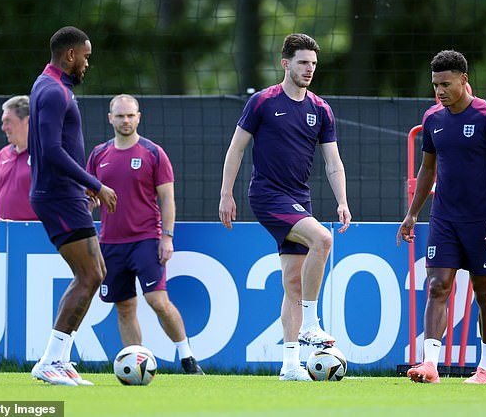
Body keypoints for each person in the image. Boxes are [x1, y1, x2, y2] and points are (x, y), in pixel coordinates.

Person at [219, 33, 352, 381]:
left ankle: (290, 366)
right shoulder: (263, 102)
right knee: (322, 240)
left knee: (293, 282)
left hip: (298, 198)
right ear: (285, 64)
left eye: (312, 64)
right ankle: (311, 323)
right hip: (267, 195)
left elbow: (333, 163)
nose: (309, 69)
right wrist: (225, 194)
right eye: (302, 63)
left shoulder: (321, 109)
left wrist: (342, 201)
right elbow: (236, 149)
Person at [396, 50, 486, 384]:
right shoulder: (433, 119)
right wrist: (412, 215)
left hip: (483, 222)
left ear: (464, 80)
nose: (440, 91)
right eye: (435, 85)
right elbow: (427, 169)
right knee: (437, 286)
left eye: (446, 84)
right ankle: (430, 365)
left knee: (484, 295)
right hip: (444, 219)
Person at [86, 94, 204, 375]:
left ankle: (187, 358)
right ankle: (136, 365)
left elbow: (168, 199)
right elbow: (89, 197)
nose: (125, 121)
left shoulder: (153, 153)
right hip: (111, 243)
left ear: (139, 117)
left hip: (146, 240)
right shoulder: (98, 155)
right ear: (110, 118)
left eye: (130, 115)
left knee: (158, 302)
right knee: (124, 307)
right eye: (120, 116)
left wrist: (168, 236)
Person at [28, 26, 117, 386]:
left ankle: (59, 358)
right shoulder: (53, 91)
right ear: (70, 55)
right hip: (57, 195)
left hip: (65, 193)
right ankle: (50, 361)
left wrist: (81, 187)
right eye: (86, 56)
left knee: (95, 272)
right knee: (90, 275)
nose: (87, 63)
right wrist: (94, 183)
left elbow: (57, 146)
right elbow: (51, 150)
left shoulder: (48, 85)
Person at [0, 95, 38, 221]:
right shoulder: (2, 154)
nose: (3, 128)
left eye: (8, 121)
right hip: (3, 235)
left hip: (32, 234)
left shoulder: (44, 156)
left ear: (27, 121)